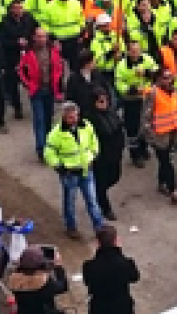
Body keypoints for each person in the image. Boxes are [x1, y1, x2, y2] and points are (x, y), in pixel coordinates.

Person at [44, 102, 105, 240]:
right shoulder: (56, 134)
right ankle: (71, 227)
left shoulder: (86, 126)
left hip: (86, 169)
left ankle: (99, 226)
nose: (73, 119)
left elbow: (93, 141)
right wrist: (59, 166)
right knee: (70, 203)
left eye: (75, 116)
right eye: (70, 117)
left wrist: (93, 155)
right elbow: (49, 152)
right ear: (64, 117)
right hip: (69, 173)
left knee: (92, 200)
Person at [18, 28, 64, 159]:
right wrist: (28, 84)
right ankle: (41, 149)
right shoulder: (28, 52)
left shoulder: (53, 51)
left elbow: (59, 69)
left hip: (50, 89)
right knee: (39, 119)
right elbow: (21, 70)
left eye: (43, 36)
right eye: (39, 36)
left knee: (49, 119)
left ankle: (49, 145)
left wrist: (58, 88)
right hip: (36, 91)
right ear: (34, 37)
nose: (41, 39)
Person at [142, 68, 177, 204]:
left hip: (172, 133)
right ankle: (174, 190)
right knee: (167, 162)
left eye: (169, 77)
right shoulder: (152, 93)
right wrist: (150, 136)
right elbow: (146, 117)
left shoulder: (175, 92)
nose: (168, 80)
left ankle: (161, 183)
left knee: (164, 161)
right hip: (159, 135)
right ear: (158, 79)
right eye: (165, 78)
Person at [115, 40, 157, 168]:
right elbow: (119, 84)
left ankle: (144, 148)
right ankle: (135, 155)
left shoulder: (147, 59)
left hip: (146, 98)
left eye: (138, 50)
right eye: (133, 51)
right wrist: (132, 89)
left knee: (145, 125)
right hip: (131, 99)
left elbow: (157, 73)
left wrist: (146, 73)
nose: (136, 53)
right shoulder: (122, 65)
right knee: (132, 128)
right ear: (128, 51)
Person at [88, 88, 125, 221]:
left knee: (115, 176)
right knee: (101, 182)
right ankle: (105, 207)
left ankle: (97, 193)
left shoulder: (111, 113)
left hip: (115, 153)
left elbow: (119, 128)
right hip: (101, 156)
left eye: (106, 100)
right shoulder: (90, 119)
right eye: (101, 101)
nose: (104, 103)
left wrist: (121, 146)